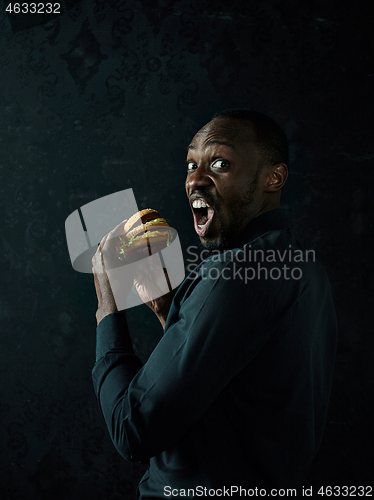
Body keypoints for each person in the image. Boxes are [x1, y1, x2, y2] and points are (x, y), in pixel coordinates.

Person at [91, 110, 338, 498]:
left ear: (273, 177)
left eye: (219, 163)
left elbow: (132, 430)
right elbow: (226, 395)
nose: (195, 179)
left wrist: (107, 301)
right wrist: (167, 312)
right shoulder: (303, 266)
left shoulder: (230, 275)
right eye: (191, 164)